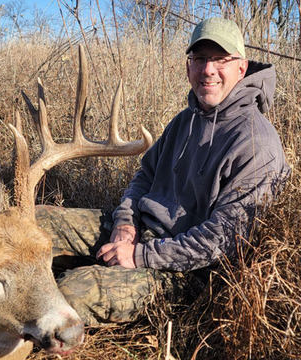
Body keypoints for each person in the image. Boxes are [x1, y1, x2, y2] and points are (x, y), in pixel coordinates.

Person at [35, 17, 291, 326]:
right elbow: (144, 177)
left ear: (241, 68)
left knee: (72, 293)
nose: (208, 70)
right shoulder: (184, 120)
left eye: (220, 59)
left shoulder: (255, 142)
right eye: (199, 59)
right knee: (33, 223)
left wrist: (139, 256)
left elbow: (223, 239)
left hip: (183, 271)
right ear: (188, 67)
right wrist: (125, 224)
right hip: (139, 236)